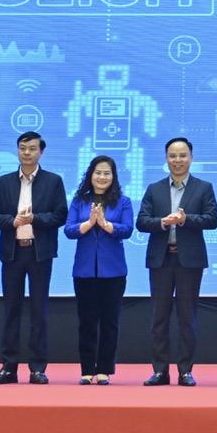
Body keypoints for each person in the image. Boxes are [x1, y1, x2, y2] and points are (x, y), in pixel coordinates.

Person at [0, 132, 67, 385]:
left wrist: (35, 219)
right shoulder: (4, 182)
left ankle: (37, 368)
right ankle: (8, 367)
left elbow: (60, 215)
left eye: (32, 148)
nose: (27, 152)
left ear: (41, 152)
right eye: (22, 148)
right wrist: (13, 221)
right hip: (12, 252)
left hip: (40, 253)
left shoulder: (53, 181)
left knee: (39, 310)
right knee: (11, 309)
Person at [136, 137, 217, 386]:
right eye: (173, 156)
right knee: (159, 317)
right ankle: (160, 371)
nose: (178, 160)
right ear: (166, 159)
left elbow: (212, 219)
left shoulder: (203, 188)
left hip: (189, 261)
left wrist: (185, 220)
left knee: (187, 317)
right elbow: (142, 221)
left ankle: (185, 371)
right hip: (161, 259)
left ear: (191, 158)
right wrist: (163, 222)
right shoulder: (154, 188)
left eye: (183, 155)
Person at [64, 156, 133, 385]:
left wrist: (105, 224)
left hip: (113, 272)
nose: (102, 177)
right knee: (87, 322)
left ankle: (104, 369)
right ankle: (86, 369)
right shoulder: (79, 201)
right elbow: (69, 230)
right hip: (84, 271)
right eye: (98, 173)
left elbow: (127, 230)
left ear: (113, 177)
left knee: (110, 322)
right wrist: (89, 223)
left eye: (107, 173)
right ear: (90, 175)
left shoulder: (123, 202)